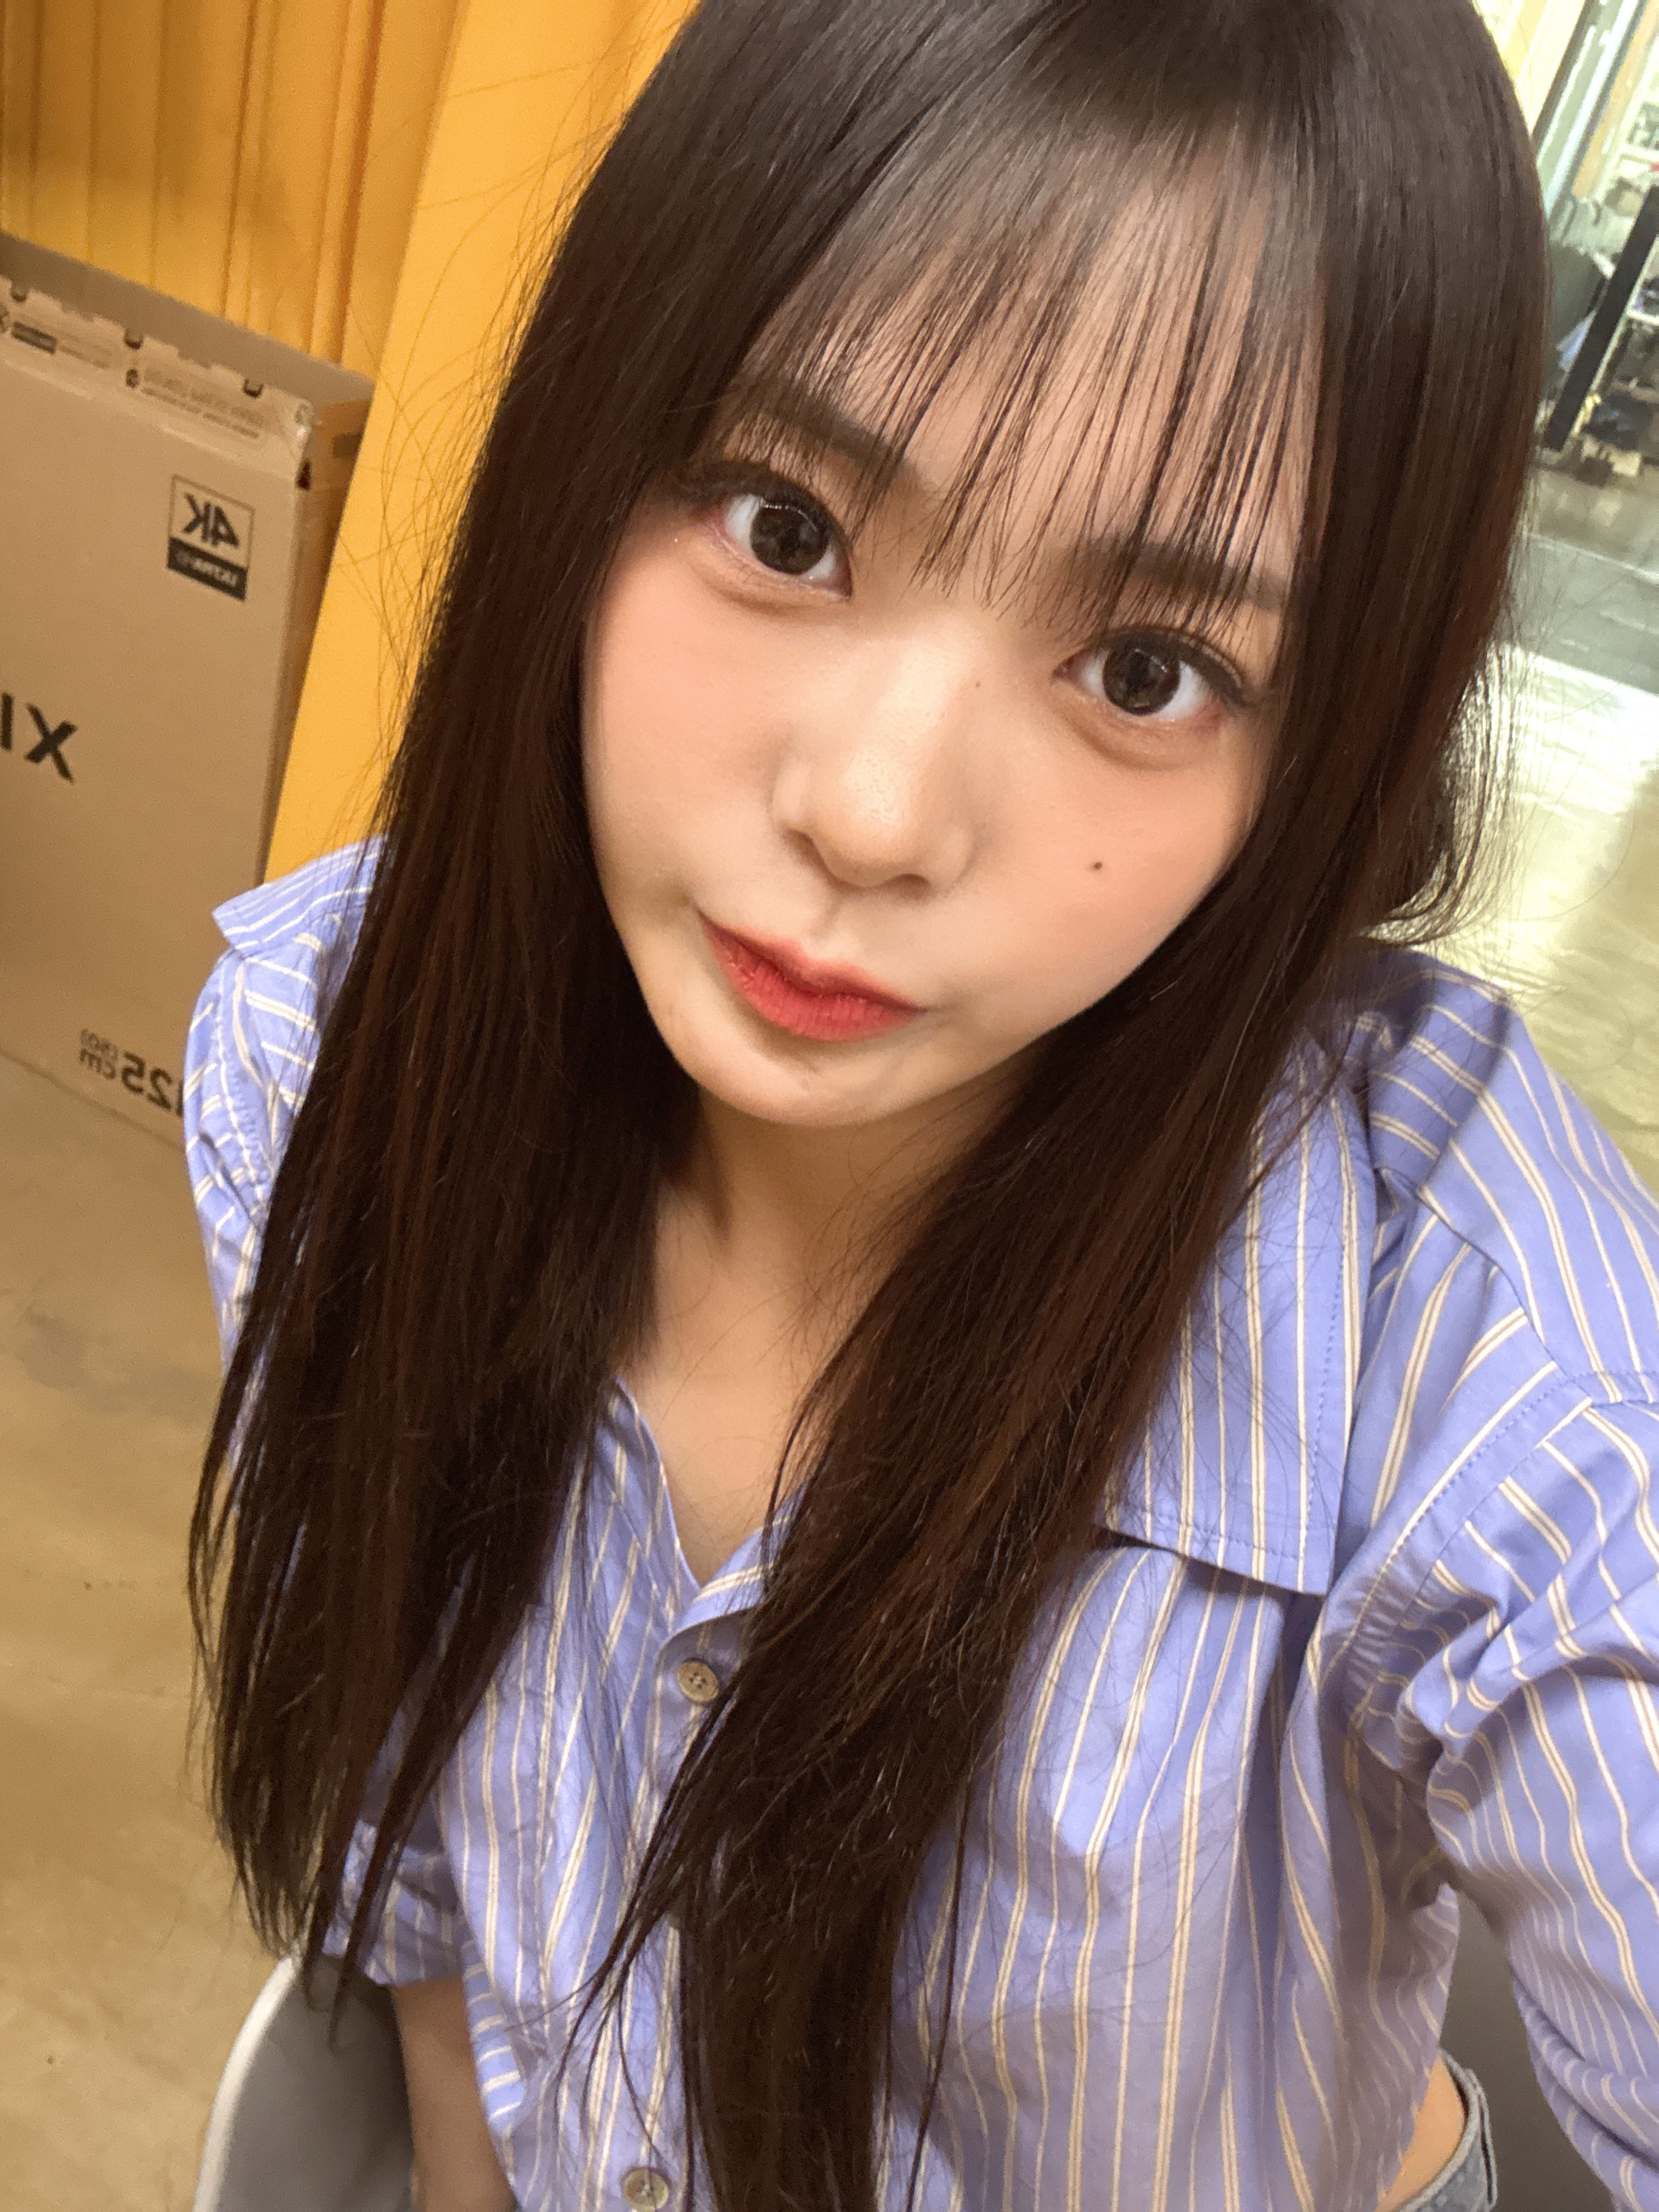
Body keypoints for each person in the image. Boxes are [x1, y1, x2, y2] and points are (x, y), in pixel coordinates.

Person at [182, 2, 1659, 2208]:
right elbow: (424, 1842)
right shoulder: (324, 1052)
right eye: (785, 525)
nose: (873, 816)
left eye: (1146, 671)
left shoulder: (1461, 1340)